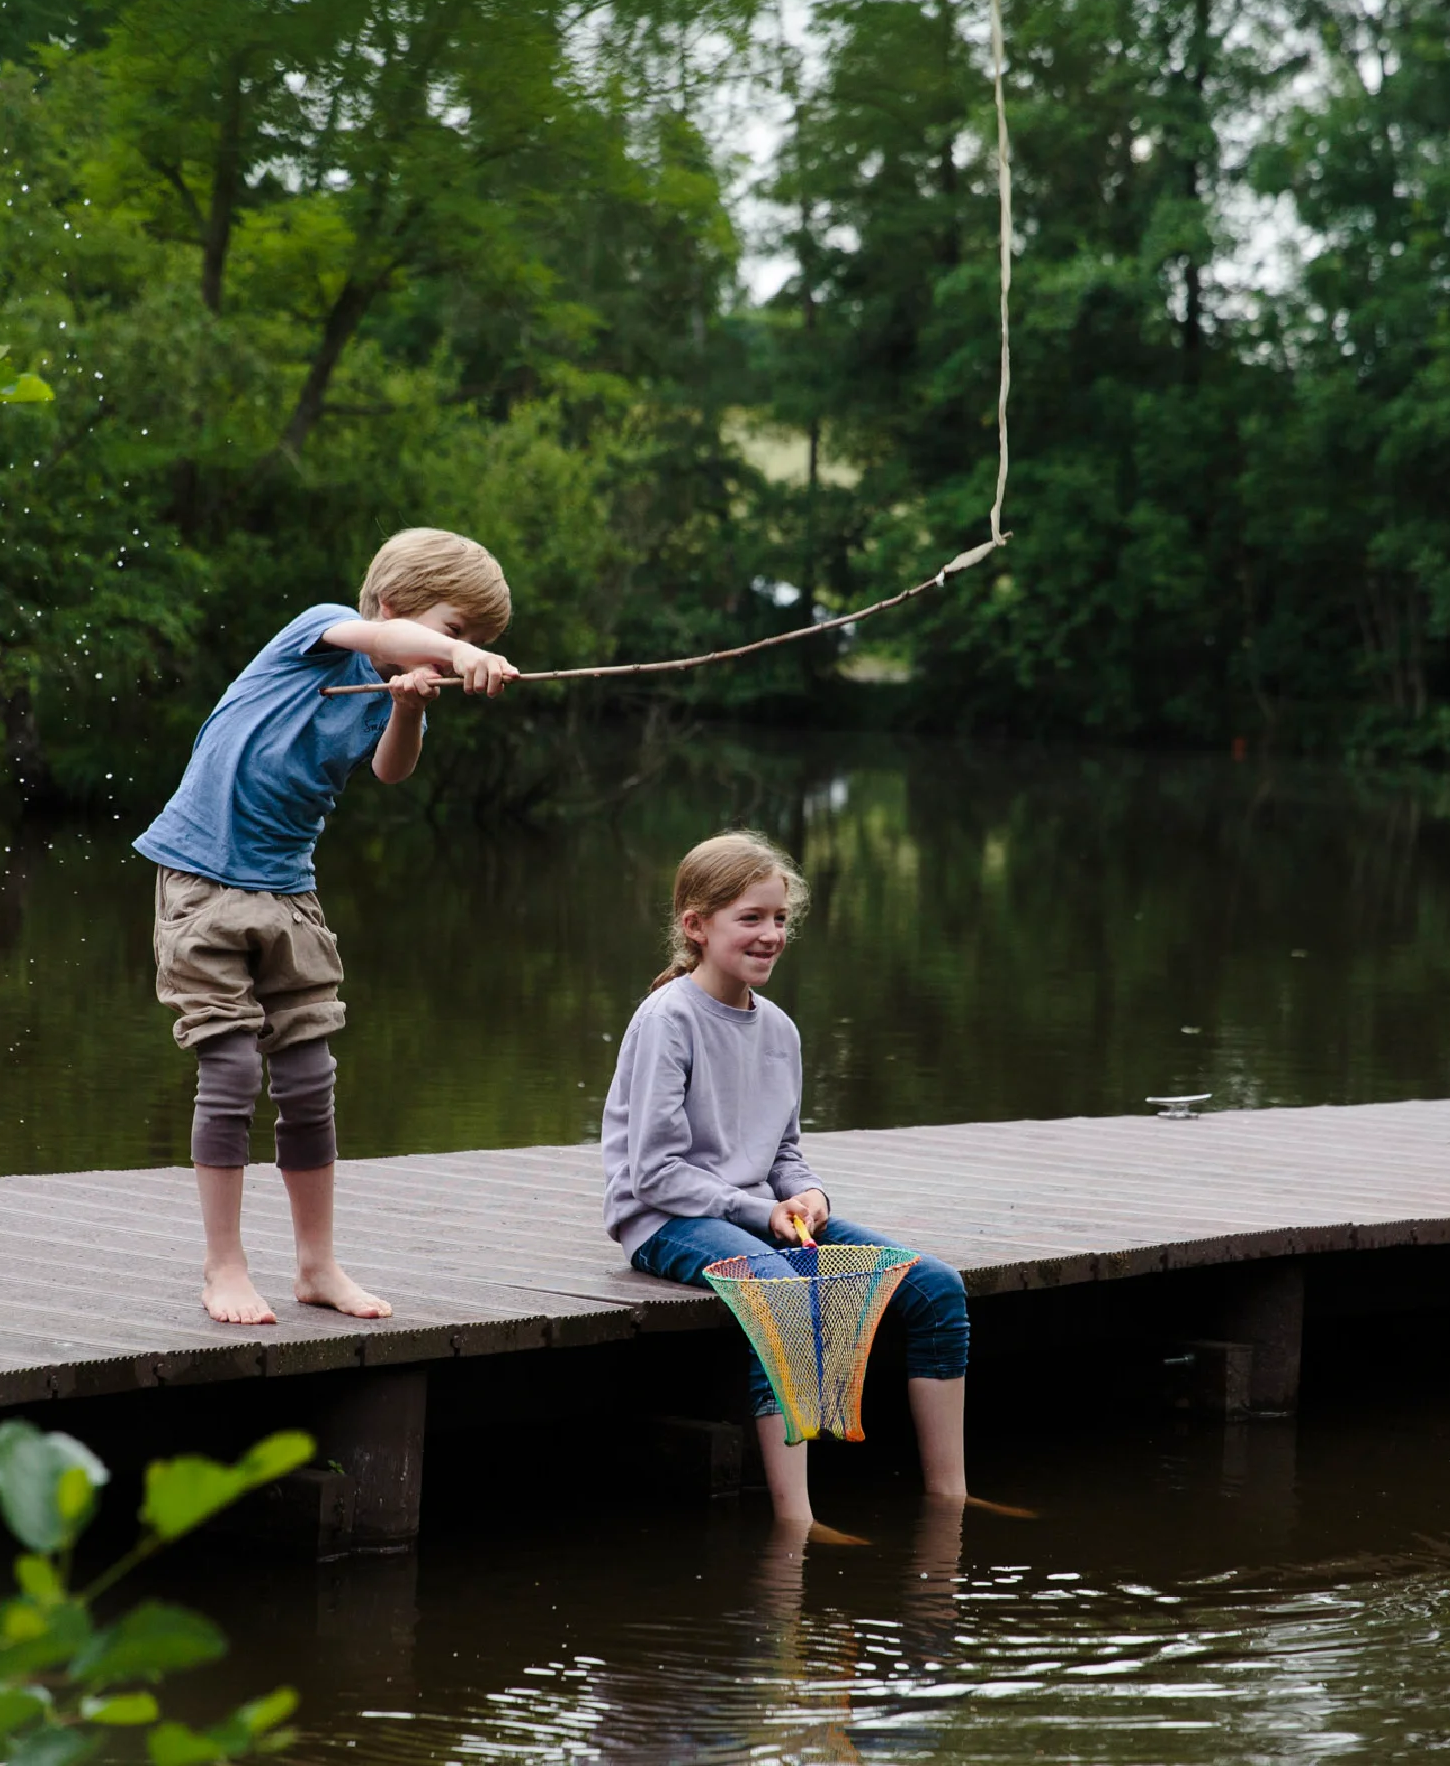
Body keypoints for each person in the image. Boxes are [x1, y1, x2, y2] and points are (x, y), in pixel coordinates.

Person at [135, 528, 517, 1324]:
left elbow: (389, 769)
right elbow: (380, 637)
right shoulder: (320, 630)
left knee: (309, 1084)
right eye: (456, 631)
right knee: (232, 1072)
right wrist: (443, 656)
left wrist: (410, 705)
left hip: (288, 893)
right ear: (395, 607)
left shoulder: (394, 684)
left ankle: (316, 1267)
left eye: (474, 643)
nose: (460, 651)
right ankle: (224, 1267)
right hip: (203, 879)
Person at [602, 831, 976, 1535]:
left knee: (934, 1290)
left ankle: (949, 1497)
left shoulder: (777, 1030)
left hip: (758, 1215)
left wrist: (810, 1195)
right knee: (779, 1288)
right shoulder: (668, 1018)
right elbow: (653, 1171)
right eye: (750, 918)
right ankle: (796, 1520)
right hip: (664, 1219)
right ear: (695, 925)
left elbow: (785, 1154)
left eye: (777, 919)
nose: (770, 934)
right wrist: (757, 1210)